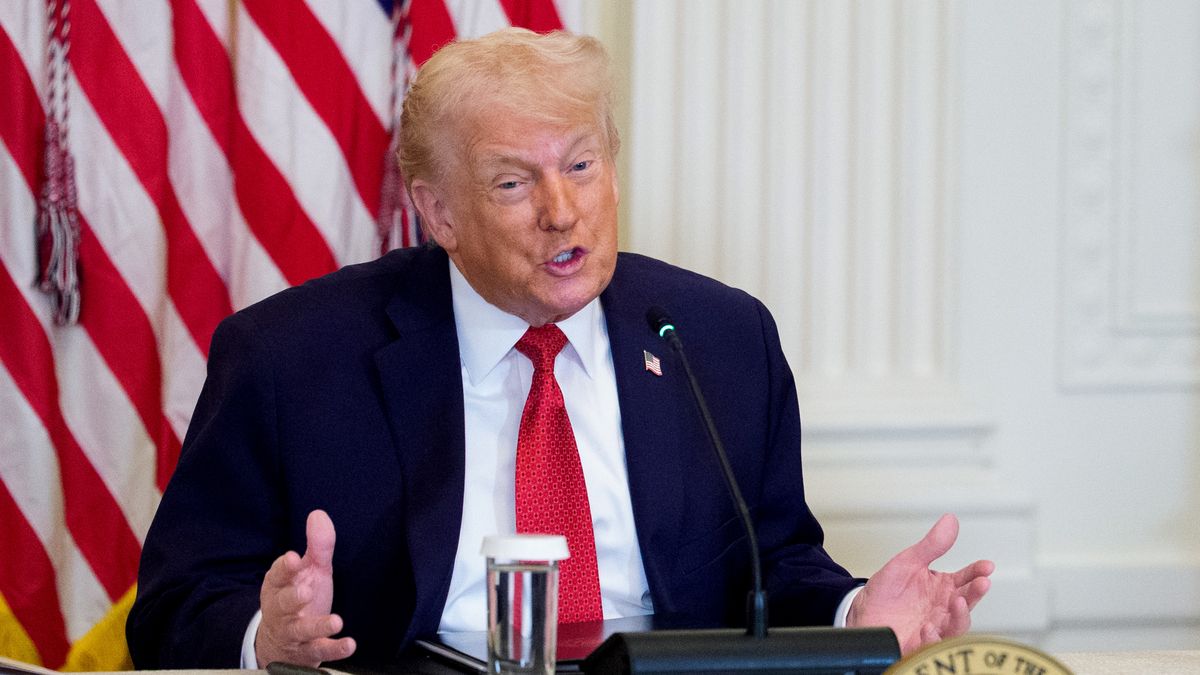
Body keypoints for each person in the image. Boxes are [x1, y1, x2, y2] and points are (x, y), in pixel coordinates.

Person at [126, 28, 993, 670]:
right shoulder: (293, 358)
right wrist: (265, 634)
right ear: (439, 213)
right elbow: (173, 603)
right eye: (514, 182)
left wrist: (852, 612)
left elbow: (777, 567)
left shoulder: (722, 340)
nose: (561, 211)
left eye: (581, 167)